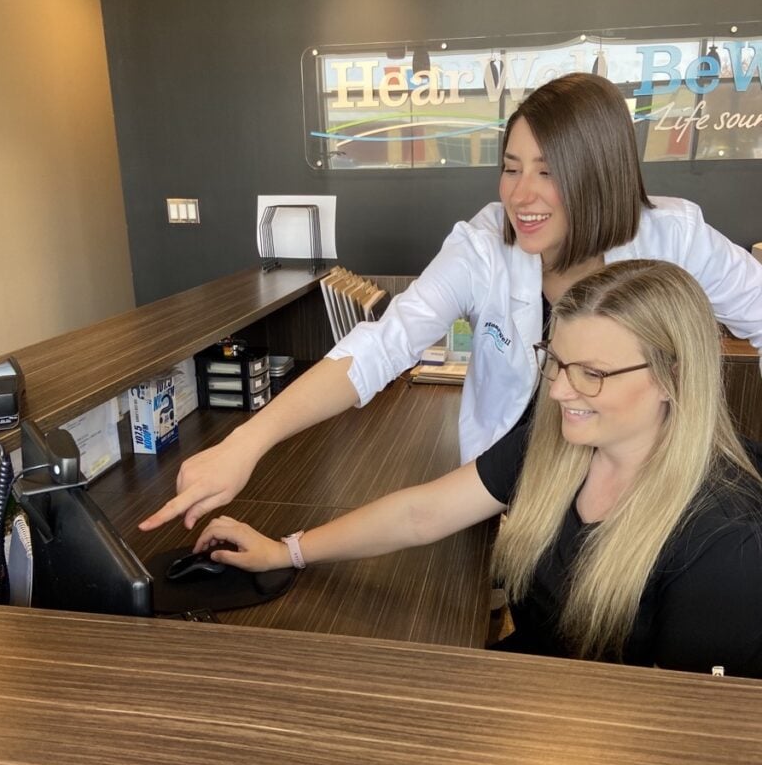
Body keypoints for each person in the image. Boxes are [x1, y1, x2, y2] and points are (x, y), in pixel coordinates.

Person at [140, 72, 762, 533]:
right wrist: (245, 443)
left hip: (645, 493)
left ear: (599, 173)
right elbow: (383, 345)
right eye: (511, 168)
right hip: (510, 489)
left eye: (548, 172)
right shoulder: (483, 247)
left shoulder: (674, 239)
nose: (523, 196)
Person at [192, 261, 762, 676]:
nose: (560, 390)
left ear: (672, 378)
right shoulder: (558, 446)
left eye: (591, 373)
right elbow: (423, 512)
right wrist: (286, 551)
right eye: (556, 362)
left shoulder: (724, 542)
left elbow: (689, 747)